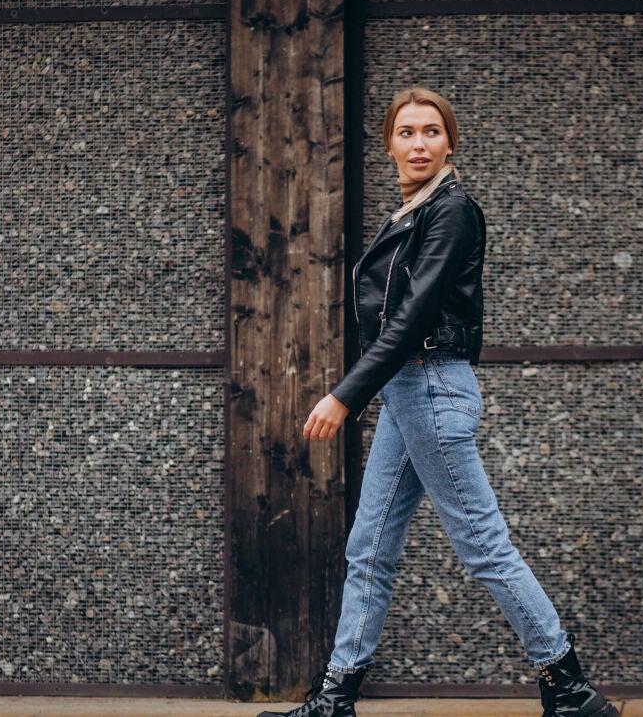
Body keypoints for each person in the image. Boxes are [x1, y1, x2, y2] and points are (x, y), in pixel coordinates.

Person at [259, 88, 618, 717]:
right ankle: (336, 697)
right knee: (368, 548)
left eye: (431, 132)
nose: (418, 144)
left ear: (450, 142)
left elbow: (414, 314)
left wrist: (347, 396)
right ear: (388, 143)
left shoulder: (451, 211)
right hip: (408, 391)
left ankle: (568, 685)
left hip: (430, 384)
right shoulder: (407, 214)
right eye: (406, 132)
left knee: (482, 544)